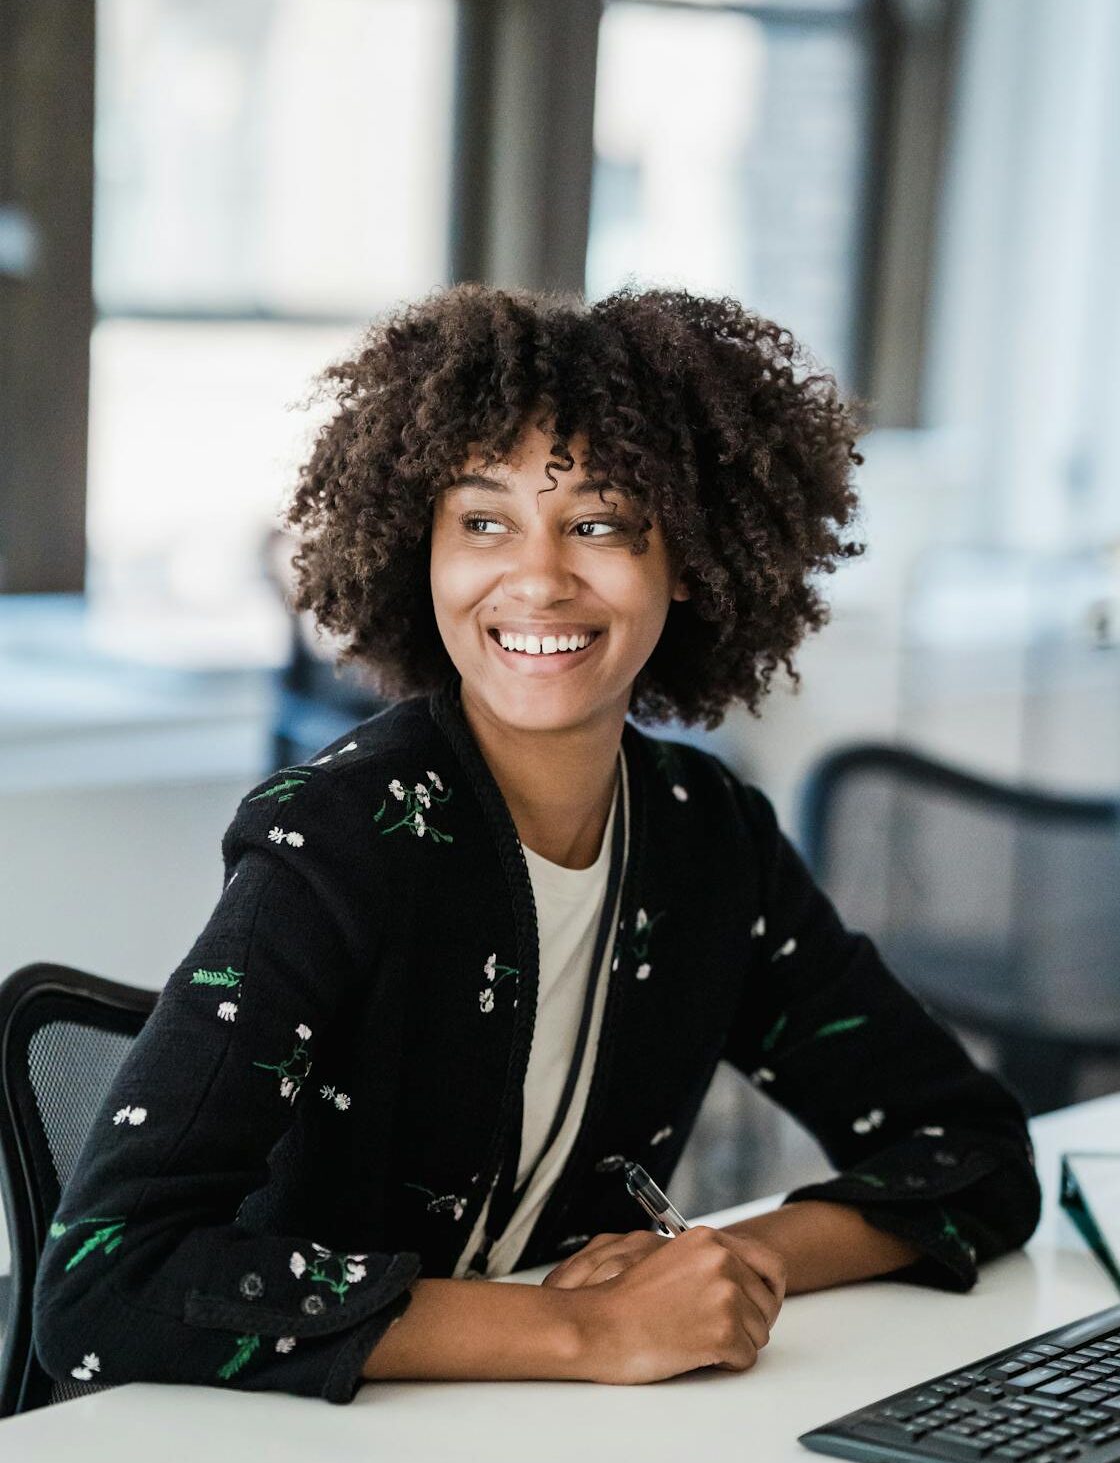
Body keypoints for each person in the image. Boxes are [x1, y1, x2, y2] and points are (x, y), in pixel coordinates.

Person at [33, 284, 1041, 1404]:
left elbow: (973, 1148)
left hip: (536, 1452)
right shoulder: (340, 841)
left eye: (601, 523)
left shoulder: (709, 840)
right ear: (419, 548)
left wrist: (735, 1265)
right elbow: (103, 1284)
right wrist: (586, 1334)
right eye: (483, 521)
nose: (540, 576)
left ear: (692, 560)